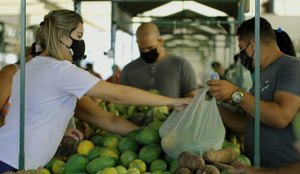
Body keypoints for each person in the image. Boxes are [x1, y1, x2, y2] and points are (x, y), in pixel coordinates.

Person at [0, 10, 190, 172]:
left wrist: (59, 130)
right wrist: (171, 101)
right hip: (12, 164)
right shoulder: (61, 70)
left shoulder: (31, 66)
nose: (81, 44)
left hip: (7, 154)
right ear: (62, 36)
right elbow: (120, 94)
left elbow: (31, 114)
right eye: (79, 36)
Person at [207, 17, 300, 167]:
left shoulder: (292, 67)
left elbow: (281, 117)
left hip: (284, 168)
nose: (241, 54)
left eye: (241, 47)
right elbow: (248, 125)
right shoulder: (261, 74)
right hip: (260, 168)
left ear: (252, 45)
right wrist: (213, 107)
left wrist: (235, 93)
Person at [120, 22, 197, 98]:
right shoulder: (128, 70)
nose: (146, 51)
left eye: (150, 48)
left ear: (160, 41)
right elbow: (121, 97)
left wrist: (172, 106)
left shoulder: (181, 65)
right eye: (141, 48)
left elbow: (192, 96)